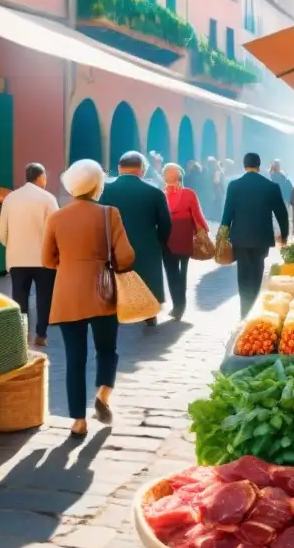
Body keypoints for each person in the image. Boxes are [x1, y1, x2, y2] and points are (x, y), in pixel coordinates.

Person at [43, 159, 135, 438]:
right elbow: (127, 256)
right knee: (107, 349)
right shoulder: (110, 214)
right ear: (97, 185)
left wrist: (72, 263)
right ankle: (103, 395)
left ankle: (78, 421)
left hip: (68, 294)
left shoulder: (56, 217)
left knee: (74, 358)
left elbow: (47, 260)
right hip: (103, 292)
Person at [100, 152, 171, 326]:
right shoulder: (154, 192)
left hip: (114, 245)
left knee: (116, 278)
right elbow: (166, 223)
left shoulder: (104, 191)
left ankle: (115, 310)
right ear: (142, 170)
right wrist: (159, 241)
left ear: (119, 168)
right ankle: (149, 314)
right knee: (147, 280)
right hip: (147, 245)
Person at [221, 152, 289, 318]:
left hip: (240, 238)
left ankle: (245, 311)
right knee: (257, 272)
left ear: (244, 165)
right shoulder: (271, 186)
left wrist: (222, 236)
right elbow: (282, 213)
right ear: (259, 166)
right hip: (261, 239)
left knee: (243, 275)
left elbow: (227, 213)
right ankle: (254, 309)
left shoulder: (234, 185)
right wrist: (284, 235)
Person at [0, 163, 59, 348]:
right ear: (41, 177)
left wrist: (13, 247)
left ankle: (22, 334)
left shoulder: (10, 198)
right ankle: (41, 335)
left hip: (17, 259)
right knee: (44, 297)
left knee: (19, 296)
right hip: (43, 259)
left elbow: (2, 232)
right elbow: (56, 229)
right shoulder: (48, 198)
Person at [161, 163, 207, 321]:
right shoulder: (189, 193)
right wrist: (202, 231)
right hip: (184, 237)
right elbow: (197, 215)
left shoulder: (160, 194)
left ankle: (177, 304)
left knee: (171, 272)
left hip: (167, 238)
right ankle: (180, 304)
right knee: (182, 272)